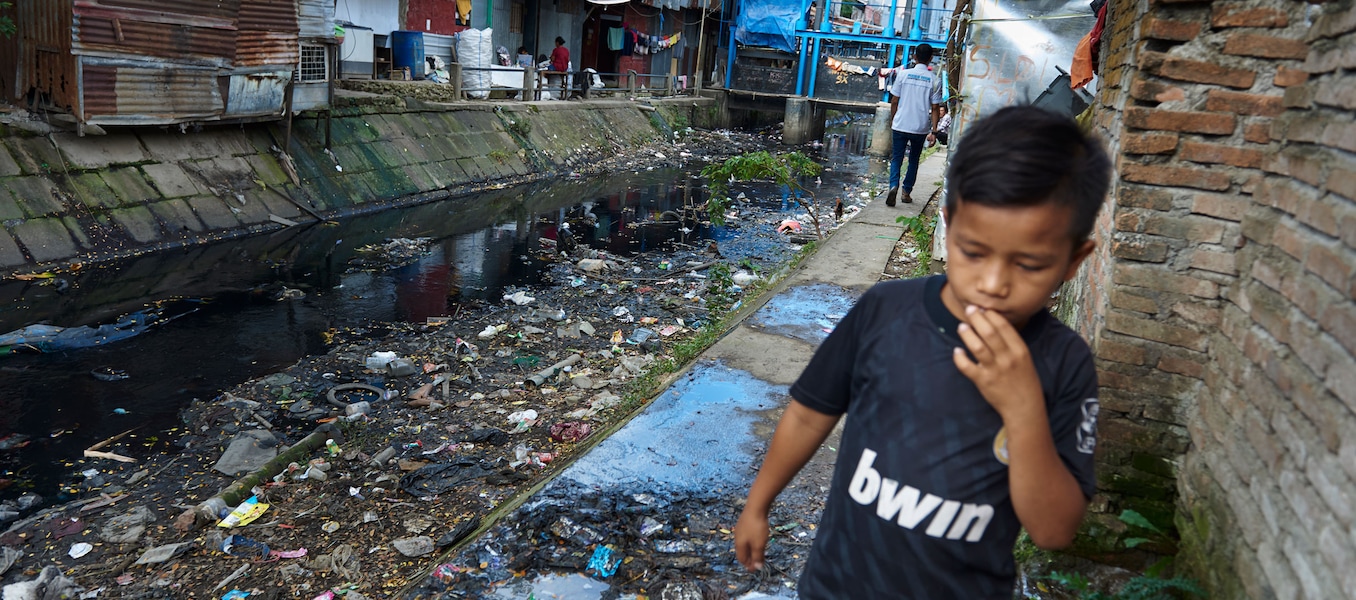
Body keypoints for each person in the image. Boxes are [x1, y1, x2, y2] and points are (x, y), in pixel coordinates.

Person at [734, 105, 1111, 598]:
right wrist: (759, 503)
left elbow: (1053, 531)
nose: (993, 285)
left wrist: (1023, 409)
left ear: (1073, 260)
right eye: (974, 252)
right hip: (836, 584)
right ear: (948, 225)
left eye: (1030, 265)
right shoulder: (885, 313)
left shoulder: (1063, 364)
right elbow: (809, 414)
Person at [885, 43, 943, 206]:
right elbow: (935, 107)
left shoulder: (903, 75)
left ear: (914, 57)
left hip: (901, 124)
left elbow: (894, 100)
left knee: (896, 158)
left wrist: (893, 119)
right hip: (920, 127)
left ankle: (893, 185)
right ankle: (906, 192)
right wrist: (935, 131)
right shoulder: (935, 80)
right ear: (931, 59)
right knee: (913, 160)